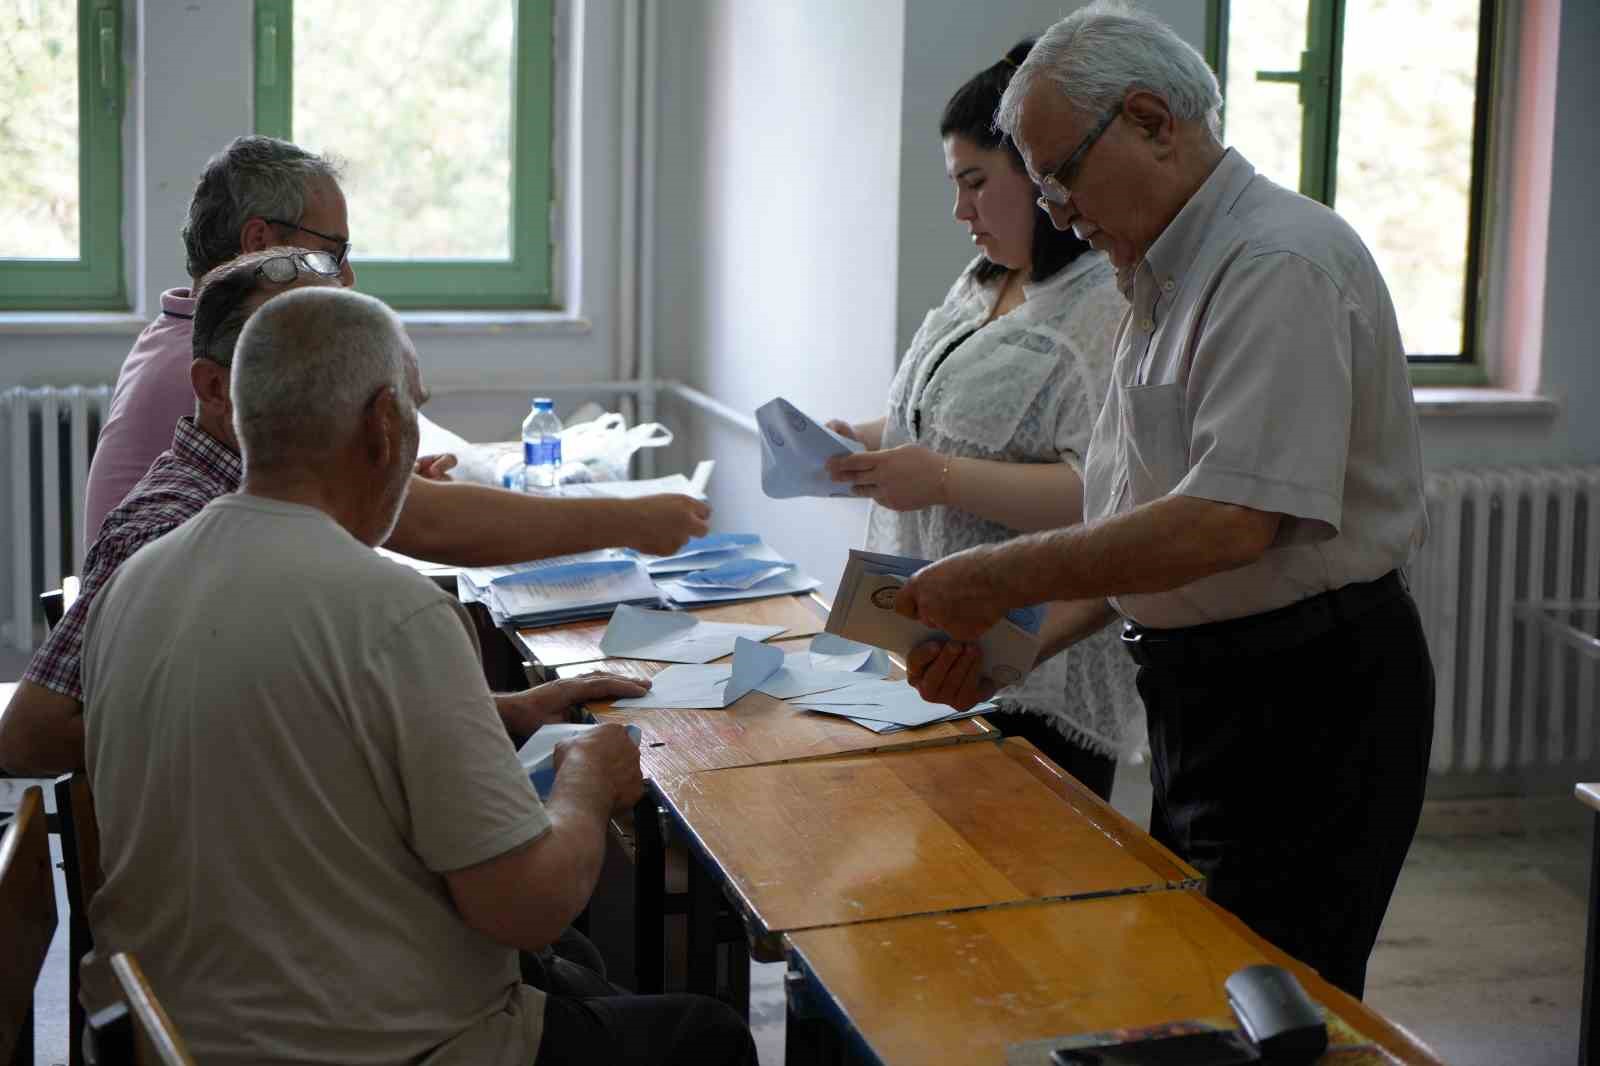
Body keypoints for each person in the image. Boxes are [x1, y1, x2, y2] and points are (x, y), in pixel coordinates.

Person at [898, 0, 1434, 1000]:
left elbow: (1228, 522)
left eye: (1059, 171)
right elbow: (1136, 534)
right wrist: (1012, 647)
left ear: (1152, 120)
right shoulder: (1156, 275)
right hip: (1209, 689)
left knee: (1272, 999)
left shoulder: (1273, 263)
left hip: (1306, 695)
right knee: (1199, 980)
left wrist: (998, 573)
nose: (1051, 208)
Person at [80, 286, 758, 1066]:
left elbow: (285, 735)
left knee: (583, 979)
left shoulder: (138, 580)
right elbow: (524, 905)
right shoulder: (393, 611)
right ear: (384, 426)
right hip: (374, 1049)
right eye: (415, 408)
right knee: (704, 1036)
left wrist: (498, 712)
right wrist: (588, 779)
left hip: (180, 1027)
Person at [0, 250, 646, 777]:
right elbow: (29, 739)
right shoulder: (172, 534)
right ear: (224, 387)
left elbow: (300, 706)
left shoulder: (267, 520)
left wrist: (497, 711)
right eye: (296, 368)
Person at [81, 134, 707, 554]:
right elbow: (422, 525)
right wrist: (632, 520)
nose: (346, 279)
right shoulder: (222, 362)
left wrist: (381, 476)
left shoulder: (188, 334)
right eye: (332, 253)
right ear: (258, 244)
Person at [823, 40, 1139, 800]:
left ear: (1039, 176)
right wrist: (859, 445)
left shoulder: (1105, 304)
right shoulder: (983, 280)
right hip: (946, 639)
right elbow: (937, 416)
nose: (960, 211)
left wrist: (937, 479)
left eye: (975, 183)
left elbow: (1102, 490)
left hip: (1042, 657)